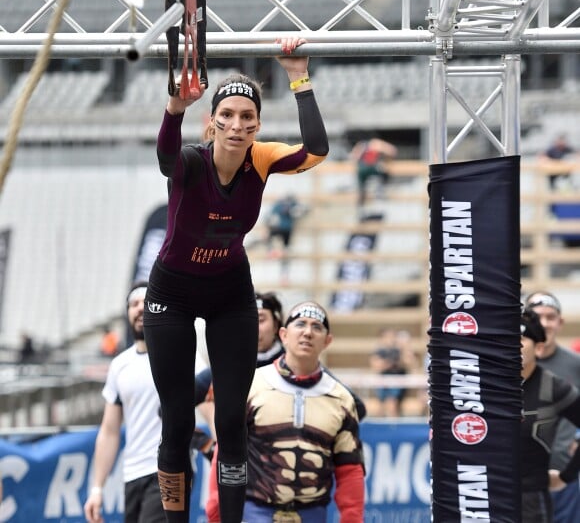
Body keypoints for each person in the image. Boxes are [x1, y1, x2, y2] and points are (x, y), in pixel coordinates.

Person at [143, 36, 329, 523]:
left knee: (230, 421)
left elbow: (316, 150)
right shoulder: (188, 162)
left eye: (248, 118)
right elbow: (163, 157)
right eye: (227, 115)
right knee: (179, 420)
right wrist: (173, 107)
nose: (237, 125)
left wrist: (298, 77)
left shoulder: (262, 159)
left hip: (230, 294)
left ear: (257, 126)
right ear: (211, 121)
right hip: (172, 295)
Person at [203, 291, 367, 522]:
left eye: (317, 327)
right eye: (300, 324)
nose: (308, 332)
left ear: (328, 340)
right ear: (284, 334)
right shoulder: (251, 385)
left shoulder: (341, 399)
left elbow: (350, 470)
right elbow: (226, 454)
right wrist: (216, 513)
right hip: (254, 512)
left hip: (312, 514)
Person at [84, 281, 165, 523]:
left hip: (168, 472)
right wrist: (97, 488)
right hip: (132, 474)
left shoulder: (182, 355)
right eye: (134, 304)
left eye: (146, 302)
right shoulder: (120, 365)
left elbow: (210, 408)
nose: (140, 308)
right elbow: (109, 431)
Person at [519, 308, 580, 523]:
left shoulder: (553, 387)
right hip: (487, 494)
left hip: (532, 499)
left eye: (522, 338)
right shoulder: (488, 386)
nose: (514, 344)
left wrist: (567, 476)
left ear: (539, 347)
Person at [265, 194, 306, 280]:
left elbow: (304, 210)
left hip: (287, 230)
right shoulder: (281, 204)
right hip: (282, 229)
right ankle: (271, 251)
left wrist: (296, 211)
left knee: (285, 253)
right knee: (271, 236)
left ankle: (284, 275)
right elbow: (269, 215)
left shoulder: (292, 204)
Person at [369, 327, 407, 417]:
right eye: (388, 336)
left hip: (396, 381)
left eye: (392, 336)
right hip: (382, 380)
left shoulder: (398, 351)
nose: (390, 339)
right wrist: (389, 363)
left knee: (393, 404)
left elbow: (408, 363)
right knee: (380, 406)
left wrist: (404, 349)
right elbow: (376, 366)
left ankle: (394, 427)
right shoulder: (379, 350)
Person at [350, 136, 397, 208]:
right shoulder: (375, 143)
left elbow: (354, 157)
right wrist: (387, 160)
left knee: (362, 184)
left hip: (362, 169)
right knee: (384, 173)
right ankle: (380, 190)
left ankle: (362, 198)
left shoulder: (361, 145)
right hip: (371, 167)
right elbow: (392, 151)